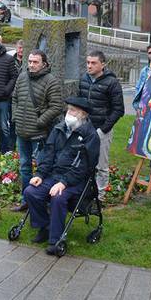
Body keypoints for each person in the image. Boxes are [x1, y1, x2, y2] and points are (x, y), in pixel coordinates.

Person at [23, 97, 100, 255]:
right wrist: (40, 174)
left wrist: (64, 182)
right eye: (68, 109)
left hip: (77, 180)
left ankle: (55, 240)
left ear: (83, 114)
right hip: (54, 175)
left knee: (58, 197)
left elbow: (84, 167)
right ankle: (45, 227)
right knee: (31, 192)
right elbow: (48, 155)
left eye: (73, 110)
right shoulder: (59, 129)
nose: (68, 113)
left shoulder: (90, 135)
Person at [10, 49, 63, 212]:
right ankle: (26, 200)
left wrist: (40, 122)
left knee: (42, 169)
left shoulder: (51, 81)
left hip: (39, 134)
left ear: (44, 64)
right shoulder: (22, 76)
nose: (31, 65)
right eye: (30, 61)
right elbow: (15, 98)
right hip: (21, 131)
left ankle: (44, 202)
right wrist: (15, 117)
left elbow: (57, 107)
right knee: (24, 167)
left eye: (35, 62)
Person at [77, 51, 125, 198]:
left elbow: (119, 110)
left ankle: (100, 196)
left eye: (93, 63)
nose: (89, 66)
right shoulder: (84, 78)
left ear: (103, 64)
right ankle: (84, 192)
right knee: (82, 160)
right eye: (87, 62)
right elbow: (80, 101)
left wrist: (104, 129)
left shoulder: (112, 82)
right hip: (85, 127)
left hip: (102, 129)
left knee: (101, 164)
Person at [133, 43, 151, 183]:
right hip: (146, 110)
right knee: (148, 141)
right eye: (149, 53)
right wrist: (139, 106)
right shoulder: (145, 70)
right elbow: (139, 87)